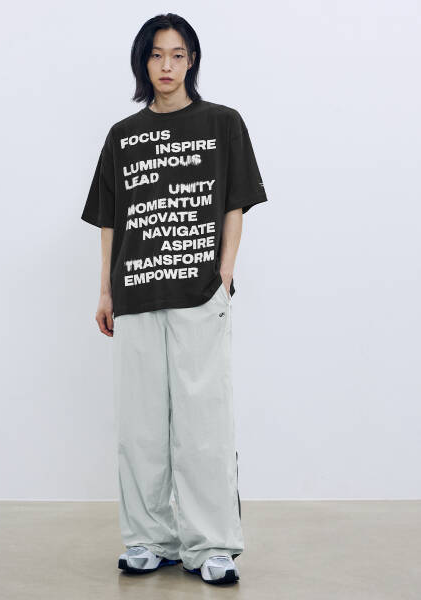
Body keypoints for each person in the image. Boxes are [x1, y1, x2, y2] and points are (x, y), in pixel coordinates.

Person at [81, 13, 268, 586]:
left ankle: (212, 545)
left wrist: (224, 273)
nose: (167, 66)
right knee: (139, 426)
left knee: (203, 423)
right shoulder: (122, 136)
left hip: (198, 292)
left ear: (192, 61)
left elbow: (234, 203)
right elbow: (111, 220)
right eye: (157, 55)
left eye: (178, 55)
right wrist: (106, 290)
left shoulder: (222, 123)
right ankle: (148, 539)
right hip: (136, 293)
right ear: (143, 62)